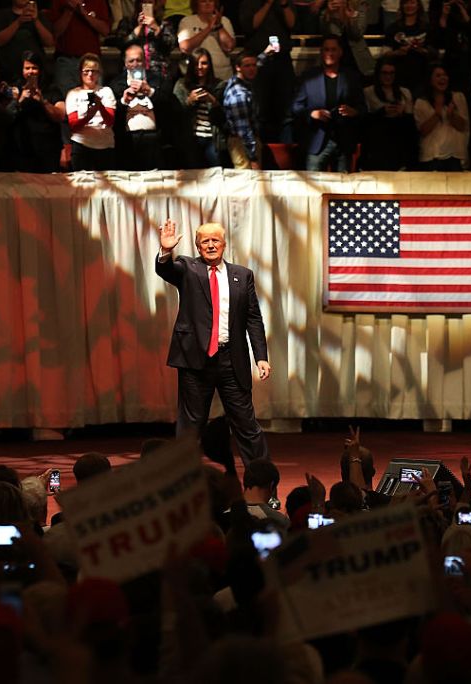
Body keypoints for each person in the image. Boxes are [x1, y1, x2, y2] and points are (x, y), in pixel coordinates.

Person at [155, 219, 272, 465]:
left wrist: (261, 357)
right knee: (190, 428)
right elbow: (166, 270)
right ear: (197, 247)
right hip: (195, 361)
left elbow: (253, 318)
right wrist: (166, 252)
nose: (210, 245)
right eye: (204, 241)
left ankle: (263, 484)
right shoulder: (187, 268)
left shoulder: (243, 275)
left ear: (224, 244)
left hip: (232, 360)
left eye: (215, 240)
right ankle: (183, 486)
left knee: (247, 426)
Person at [291, 34, 365, 172]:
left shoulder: (351, 77)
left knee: (342, 190)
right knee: (313, 189)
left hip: (343, 142)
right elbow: (296, 106)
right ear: (321, 52)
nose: (329, 53)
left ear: (340, 52)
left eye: (333, 49)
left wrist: (353, 112)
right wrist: (312, 114)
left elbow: (363, 108)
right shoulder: (309, 76)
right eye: (326, 49)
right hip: (316, 142)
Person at [239, 0, 296, 143]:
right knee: (260, 111)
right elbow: (250, 25)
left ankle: (285, 156)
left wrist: (283, 5)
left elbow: (292, 24)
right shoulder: (249, 3)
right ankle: (262, 153)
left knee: (286, 112)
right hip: (258, 61)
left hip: (282, 61)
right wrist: (268, 3)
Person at [110, 43, 173, 170]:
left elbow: (170, 105)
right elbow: (112, 113)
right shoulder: (116, 83)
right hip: (127, 141)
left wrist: (150, 91)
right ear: (125, 63)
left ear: (145, 61)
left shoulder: (158, 79)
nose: (135, 64)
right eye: (131, 61)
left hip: (154, 140)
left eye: (139, 60)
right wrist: (124, 100)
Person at [6, 50, 66, 172]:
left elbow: (60, 115)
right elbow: (6, 117)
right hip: (22, 150)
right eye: (27, 68)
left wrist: (43, 101)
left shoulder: (51, 89)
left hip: (47, 149)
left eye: (34, 68)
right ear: (22, 70)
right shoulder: (15, 89)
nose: (30, 72)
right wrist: (21, 99)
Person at [360, 54, 417, 170]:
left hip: (398, 145)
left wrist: (403, 113)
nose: (388, 76)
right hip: (377, 146)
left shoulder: (404, 93)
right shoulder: (368, 92)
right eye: (385, 73)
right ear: (378, 74)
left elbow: (412, 125)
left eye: (391, 73)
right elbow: (364, 122)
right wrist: (381, 112)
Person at [173, 48, 227, 168]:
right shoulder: (182, 85)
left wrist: (213, 101)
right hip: (191, 138)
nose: (200, 67)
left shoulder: (219, 85)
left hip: (213, 137)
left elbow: (226, 116)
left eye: (204, 63)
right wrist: (189, 101)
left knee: (216, 171)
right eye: (196, 63)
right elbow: (175, 114)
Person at [65, 52, 116, 170]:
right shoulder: (73, 94)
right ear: (80, 73)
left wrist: (100, 107)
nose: (90, 74)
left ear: (99, 73)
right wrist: (89, 116)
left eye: (94, 71)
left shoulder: (106, 91)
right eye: (86, 71)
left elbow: (110, 122)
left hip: (105, 146)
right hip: (81, 145)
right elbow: (73, 126)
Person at [50, 0, 111, 97]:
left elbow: (105, 30)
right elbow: (55, 32)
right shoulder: (59, 2)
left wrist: (84, 14)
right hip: (66, 60)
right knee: (67, 102)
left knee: (94, 101)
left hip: (92, 62)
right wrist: (69, 10)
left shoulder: (99, 2)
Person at [414, 62, 469, 170]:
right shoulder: (421, 102)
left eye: (445, 75)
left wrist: (451, 115)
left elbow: (463, 126)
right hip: (431, 156)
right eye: (438, 76)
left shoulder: (458, 97)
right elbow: (423, 131)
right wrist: (437, 113)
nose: (442, 78)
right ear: (430, 79)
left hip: (454, 155)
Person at [116, 0, 179, 92]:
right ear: (138, 4)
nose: (146, 5)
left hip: (159, 74)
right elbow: (120, 43)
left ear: (155, 4)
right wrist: (137, 29)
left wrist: (157, 29)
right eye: (143, 2)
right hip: (132, 73)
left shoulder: (164, 24)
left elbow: (171, 44)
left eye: (150, 2)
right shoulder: (127, 23)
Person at [0, 0, 55, 86]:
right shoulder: (2, 14)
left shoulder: (39, 16)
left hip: (34, 73)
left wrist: (35, 20)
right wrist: (19, 21)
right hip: (9, 72)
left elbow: (49, 42)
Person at [178, 0, 235, 82]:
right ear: (196, 4)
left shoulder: (224, 21)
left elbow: (229, 47)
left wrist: (219, 26)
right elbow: (185, 48)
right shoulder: (187, 21)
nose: (208, 4)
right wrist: (209, 28)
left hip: (223, 76)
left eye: (211, 1)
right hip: (196, 77)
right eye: (203, 1)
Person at [222, 50, 262, 169]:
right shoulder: (239, 94)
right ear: (238, 68)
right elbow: (244, 130)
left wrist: (265, 54)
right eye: (247, 66)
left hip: (245, 141)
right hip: (242, 145)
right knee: (247, 180)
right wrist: (253, 157)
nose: (252, 69)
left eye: (254, 65)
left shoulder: (236, 81)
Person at [383, 0, 434, 90]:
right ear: (402, 6)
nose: (409, 6)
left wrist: (421, 50)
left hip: (421, 75)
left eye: (412, 2)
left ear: (418, 6)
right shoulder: (393, 28)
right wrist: (397, 52)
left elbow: (434, 53)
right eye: (406, 3)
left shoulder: (427, 28)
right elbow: (385, 53)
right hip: (399, 75)